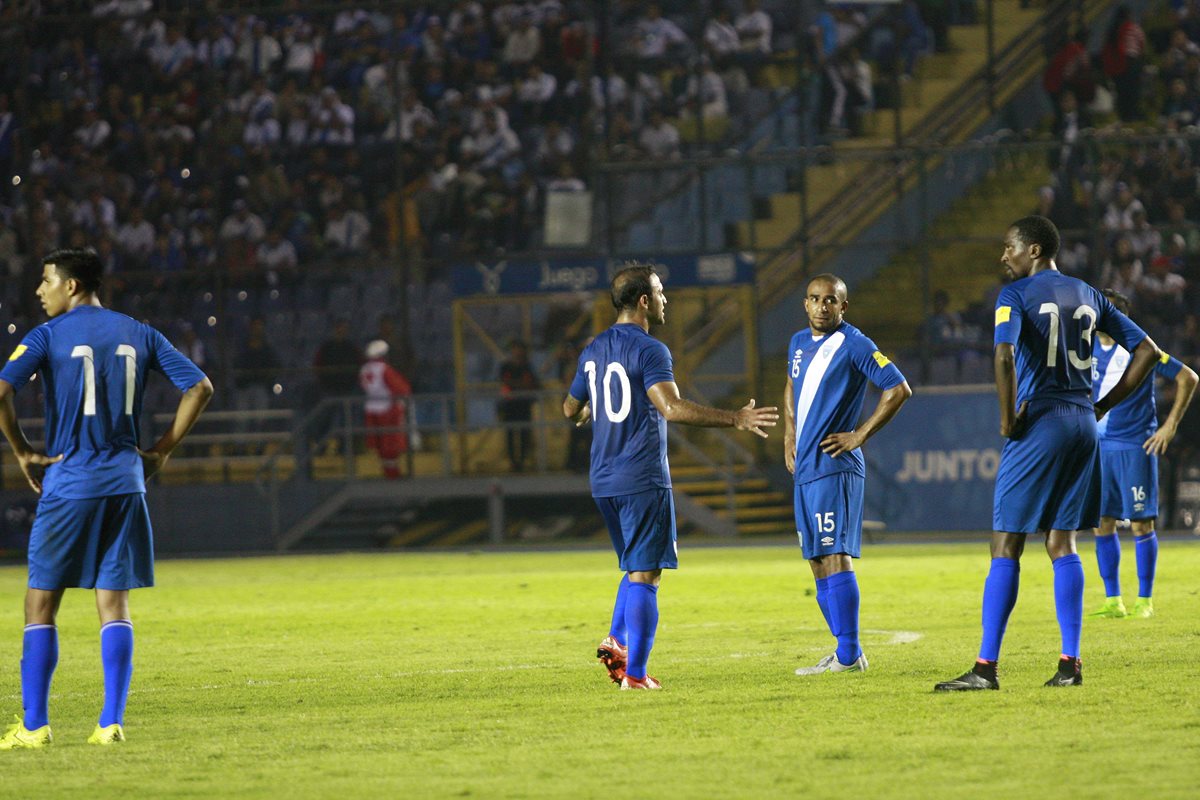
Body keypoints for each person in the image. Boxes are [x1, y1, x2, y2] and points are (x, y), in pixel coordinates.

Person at [934, 216, 1159, 692]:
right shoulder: (1090, 293)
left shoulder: (1015, 296)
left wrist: (1004, 418)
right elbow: (1147, 352)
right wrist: (1101, 405)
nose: (1004, 257)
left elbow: (1002, 355)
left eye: (1009, 247)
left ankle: (985, 668)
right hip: (1083, 423)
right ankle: (1069, 664)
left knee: (1006, 543)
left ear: (1034, 250)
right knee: (1062, 542)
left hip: (1042, 421)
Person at [0, 248, 212, 748]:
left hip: (70, 484)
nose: (39, 291)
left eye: (45, 280)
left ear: (71, 286)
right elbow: (200, 387)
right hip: (126, 482)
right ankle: (110, 722)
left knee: (40, 605)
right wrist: (160, 452)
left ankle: (34, 727)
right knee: (113, 604)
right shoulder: (140, 332)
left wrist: (24, 452)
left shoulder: (47, 336)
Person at [561, 263, 778, 690]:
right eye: (660, 293)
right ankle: (636, 676)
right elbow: (672, 408)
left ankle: (617, 638)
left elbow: (570, 409)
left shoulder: (594, 348)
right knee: (648, 574)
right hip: (641, 477)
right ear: (644, 301)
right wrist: (735, 418)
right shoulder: (650, 350)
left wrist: (593, 411)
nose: (665, 300)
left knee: (633, 567)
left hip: (603, 480)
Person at [786, 274, 912, 675]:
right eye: (815, 299)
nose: (823, 306)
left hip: (834, 467)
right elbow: (791, 385)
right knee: (817, 560)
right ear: (805, 304)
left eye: (831, 301)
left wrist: (860, 434)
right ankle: (847, 653)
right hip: (804, 467)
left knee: (835, 555)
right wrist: (789, 432)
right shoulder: (797, 343)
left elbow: (898, 389)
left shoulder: (856, 344)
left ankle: (848, 655)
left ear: (844, 307)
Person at [1088, 290, 1197, 619]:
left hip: (1136, 445)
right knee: (1101, 523)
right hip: (1099, 447)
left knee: (1141, 524)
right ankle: (1113, 601)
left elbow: (1188, 377)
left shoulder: (1143, 350)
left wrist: (1170, 425)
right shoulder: (1087, 348)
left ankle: (1145, 600)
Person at [359, 339, 413, 479]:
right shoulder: (384, 369)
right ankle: (392, 474)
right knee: (390, 443)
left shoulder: (364, 369)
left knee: (379, 443)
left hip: (371, 408)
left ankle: (387, 471)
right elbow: (402, 388)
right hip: (387, 409)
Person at [498, 339, 540, 472]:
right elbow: (506, 381)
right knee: (510, 433)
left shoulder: (527, 366)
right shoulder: (507, 366)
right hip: (510, 405)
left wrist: (516, 385)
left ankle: (521, 462)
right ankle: (513, 462)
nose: (518, 352)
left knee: (524, 434)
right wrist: (520, 385)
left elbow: (531, 383)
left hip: (523, 405)